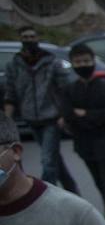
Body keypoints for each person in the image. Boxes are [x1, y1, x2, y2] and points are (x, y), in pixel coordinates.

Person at [58, 44, 105, 225]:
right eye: (78, 62)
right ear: (72, 64)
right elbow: (68, 114)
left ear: (93, 62)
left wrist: (85, 114)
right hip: (84, 142)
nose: (82, 65)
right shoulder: (69, 90)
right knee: (98, 180)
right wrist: (92, 116)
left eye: (86, 61)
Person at [3, 27, 76, 192]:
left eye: (32, 36)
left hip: (51, 117)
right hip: (31, 117)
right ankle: (73, 193)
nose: (29, 40)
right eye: (25, 37)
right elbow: (10, 94)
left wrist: (64, 114)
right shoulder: (14, 65)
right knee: (55, 159)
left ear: (37, 38)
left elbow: (64, 90)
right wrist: (8, 122)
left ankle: (44, 195)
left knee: (48, 160)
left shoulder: (51, 62)